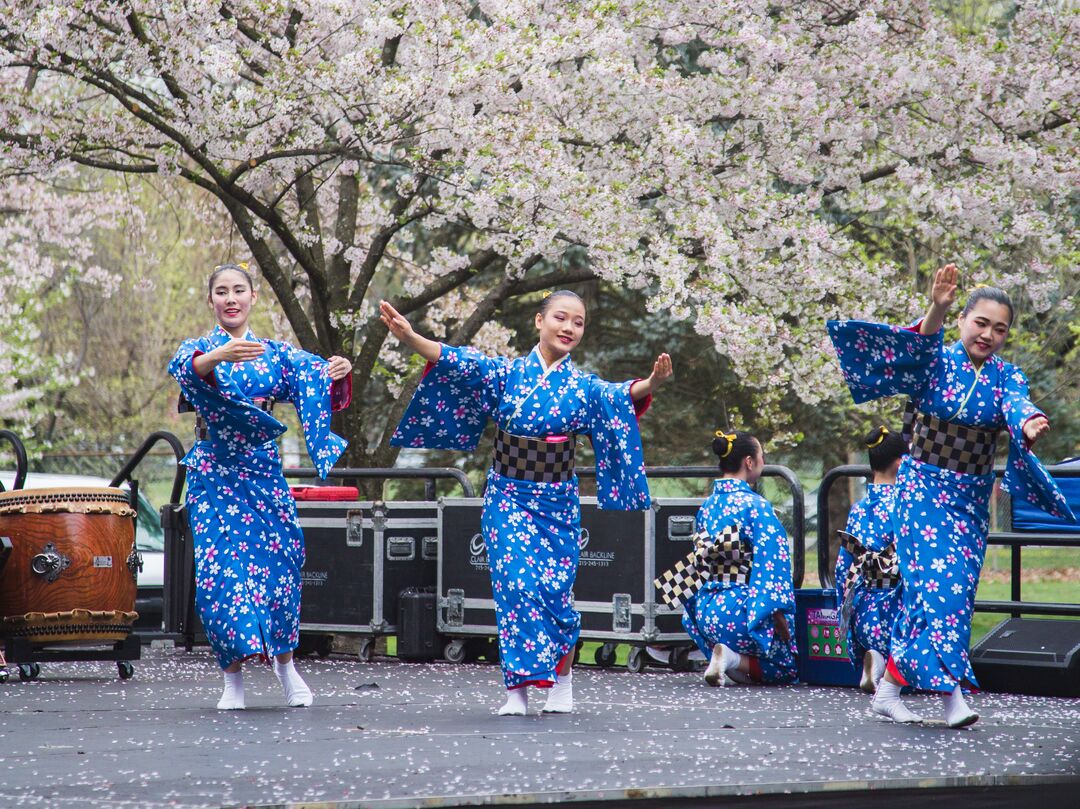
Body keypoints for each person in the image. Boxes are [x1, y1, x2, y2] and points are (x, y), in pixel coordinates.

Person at [381, 292, 671, 715]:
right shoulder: (507, 373)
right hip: (508, 496)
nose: (569, 328)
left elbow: (620, 396)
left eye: (578, 322)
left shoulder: (584, 388)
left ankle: (564, 680)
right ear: (540, 321)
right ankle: (516, 690)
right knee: (517, 585)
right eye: (561, 318)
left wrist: (654, 383)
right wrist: (410, 337)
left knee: (555, 592)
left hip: (557, 499)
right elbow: (457, 361)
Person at [828, 264, 1075, 727]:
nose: (988, 334)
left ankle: (888, 689)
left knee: (947, 596)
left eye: (999, 329)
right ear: (963, 320)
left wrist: (1026, 422)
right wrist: (936, 307)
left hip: (970, 497)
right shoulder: (936, 361)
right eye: (980, 322)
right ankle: (951, 697)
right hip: (922, 489)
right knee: (940, 592)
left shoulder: (1006, 375)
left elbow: (1016, 402)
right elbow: (916, 348)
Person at [169, 263, 352, 710]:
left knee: (282, 568)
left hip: (263, 473)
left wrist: (338, 370)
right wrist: (219, 357)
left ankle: (286, 666)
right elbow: (186, 370)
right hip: (214, 474)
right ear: (210, 300)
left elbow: (316, 379)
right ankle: (232, 679)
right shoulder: (199, 348)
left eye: (238, 291)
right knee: (220, 578)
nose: (230, 298)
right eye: (221, 292)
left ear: (253, 298)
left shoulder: (275, 353)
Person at [680, 431, 798, 687]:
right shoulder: (756, 506)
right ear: (749, 462)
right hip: (739, 611)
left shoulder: (707, 506)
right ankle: (731, 659)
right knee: (785, 666)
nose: (763, 462)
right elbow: (772, 566)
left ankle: (724, 658)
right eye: (761, 457)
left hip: (707, 610)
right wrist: (778, 618)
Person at [834, 425, 908, 694]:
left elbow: (843, 570)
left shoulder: (858, 510)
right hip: (896, 613)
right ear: (901, 464)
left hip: (864, 614)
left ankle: (875, 658)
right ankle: (884, 663)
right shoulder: (906, 507)